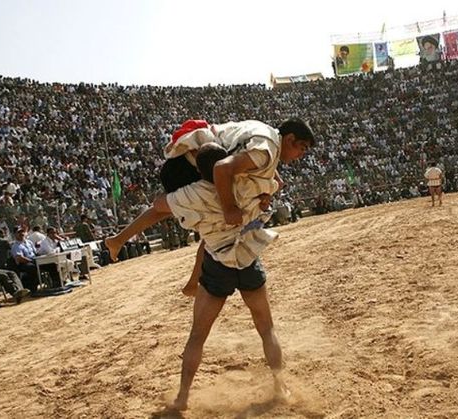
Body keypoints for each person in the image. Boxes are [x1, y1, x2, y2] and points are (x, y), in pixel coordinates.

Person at [164, 142, 306, 411]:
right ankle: (280, 386)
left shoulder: (194, 194)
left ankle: (183, 396)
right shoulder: (247, 186)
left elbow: (158, 206)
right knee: (266, 328)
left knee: (198, 335)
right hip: (247, 259)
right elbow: (276, 178)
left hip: (218, 264)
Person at [105, 118, 314, 264]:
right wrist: (230, 208)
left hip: (191, 162)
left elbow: (255, 161)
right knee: (209, 217)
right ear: (289, 139)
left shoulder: (264, 131)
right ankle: (138, 225)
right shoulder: (266, 149)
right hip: (189, 167)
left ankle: (118, 240)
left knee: (203, 219)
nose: (301, 155)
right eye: (302, 148)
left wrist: (273, 183)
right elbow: (224, 168)